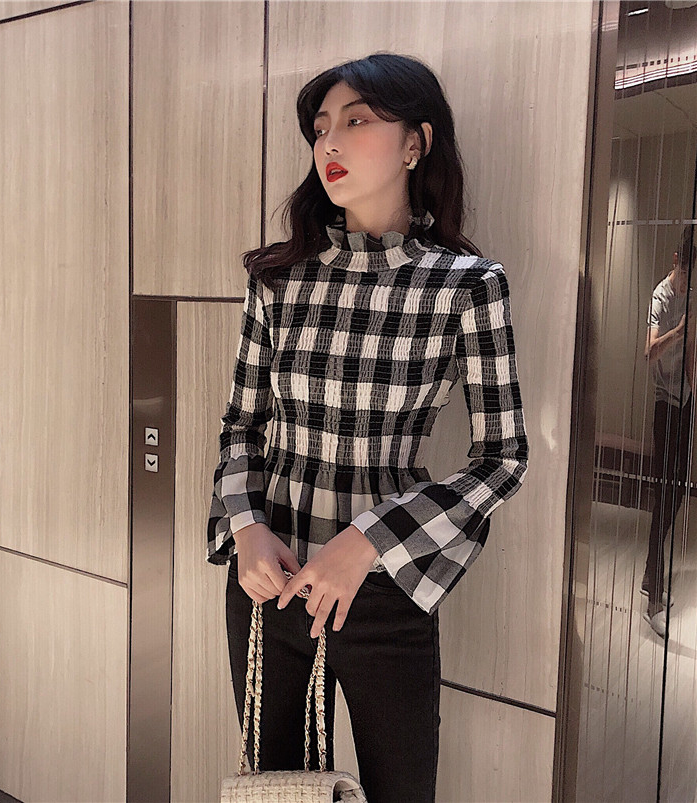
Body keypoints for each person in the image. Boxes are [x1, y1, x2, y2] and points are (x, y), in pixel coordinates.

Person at [206, 52, 530, 802]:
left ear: (416, 142)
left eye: (356, 122)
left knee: (402, 790)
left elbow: (503, 456)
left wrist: (367, 541)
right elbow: (242, 424)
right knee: (278, 793)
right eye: (321, 128)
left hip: (386, 588)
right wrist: (246, 528)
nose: (330, 143)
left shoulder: (466, 286)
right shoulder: (278, 278)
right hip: (269, 582)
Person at [641, 225, 696, 638]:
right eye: (687, 273)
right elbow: (649, 351)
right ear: (677, 261)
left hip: (686, 402)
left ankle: (651, 575)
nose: (688, 282)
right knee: (664, 494)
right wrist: (680, 330)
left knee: (677, 491)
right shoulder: (661, 296)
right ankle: (653, 598)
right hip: (665, 404)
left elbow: (691, 355)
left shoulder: (693, 295)